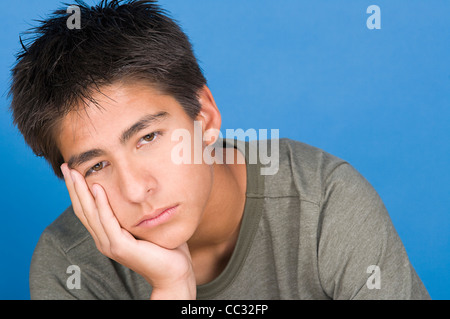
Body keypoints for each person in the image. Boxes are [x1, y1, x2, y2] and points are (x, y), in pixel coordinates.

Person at [9, 0, 430, 299]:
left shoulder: (324, 203)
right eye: (97, 165)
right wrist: (172, 287)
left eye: (149, 138)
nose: (136, 189)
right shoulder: (69, 265)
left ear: (205, 117)